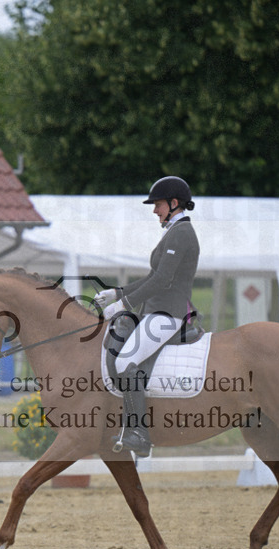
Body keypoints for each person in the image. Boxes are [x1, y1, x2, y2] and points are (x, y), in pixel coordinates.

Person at [93, 176, 200, 457]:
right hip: (155, 310)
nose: (155, 211)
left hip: (167, 313)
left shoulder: (181, 233)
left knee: (126, 360)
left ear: (174, 203)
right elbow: (154, 276)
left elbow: (163, 280)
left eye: (158, 205)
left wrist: (124, 303)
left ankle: (139, 433)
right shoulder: (172, 231)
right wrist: (117, 293)